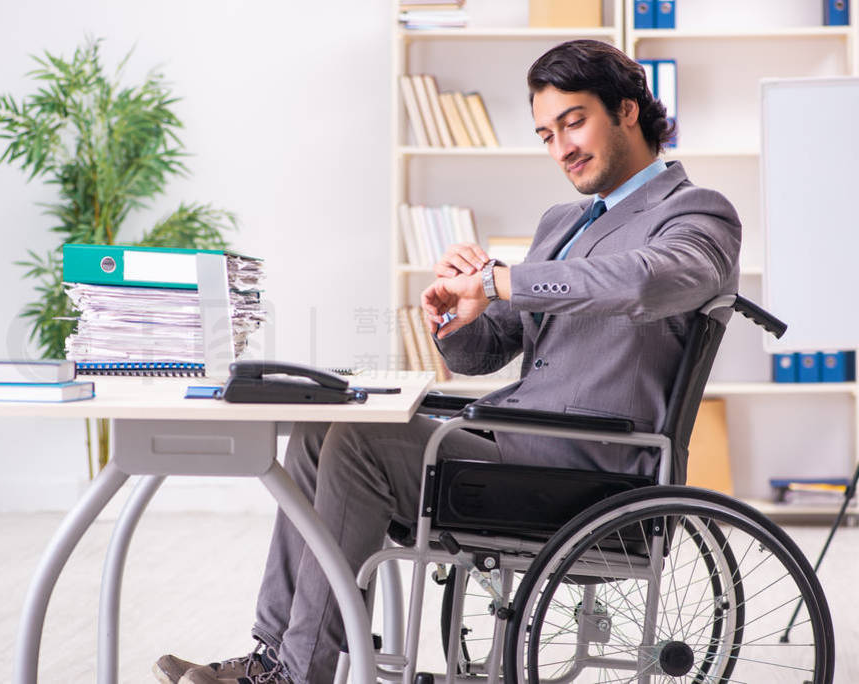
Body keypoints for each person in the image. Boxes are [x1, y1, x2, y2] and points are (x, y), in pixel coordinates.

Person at [153, 39, 741, 684]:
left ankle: (301, 674)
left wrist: (501, 280)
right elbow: (488, 351)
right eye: (547, 134)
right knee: (323, 430)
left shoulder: (695, 212)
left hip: (589, 471)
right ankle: (274, 656)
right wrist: (456, 317)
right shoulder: (563, 221)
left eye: (575, 122)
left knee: (356, 445)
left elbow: (644, 282)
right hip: (515, 444)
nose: (562, 148)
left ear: (628, 110)